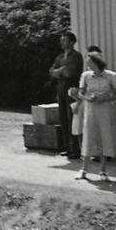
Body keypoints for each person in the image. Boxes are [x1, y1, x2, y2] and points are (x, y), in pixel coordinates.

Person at [73, 46, 116, 181]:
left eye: (89, 61)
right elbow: (80, 93)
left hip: (105, 109)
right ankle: (83, 169)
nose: (87, 64)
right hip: (90, 109)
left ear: (96, 62)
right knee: (89, 136)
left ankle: (103, 170)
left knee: (105, 136)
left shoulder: (111, 75)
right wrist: (88, 98)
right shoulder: (85, 76)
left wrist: (105, 98)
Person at [49, 31, 84, 160]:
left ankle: (75, 149)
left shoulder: (76, 56)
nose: (61, 42)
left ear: (71, 42)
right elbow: (52, 73)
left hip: (71, 88)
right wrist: (61, 69)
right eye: (61, 40)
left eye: (64, 40)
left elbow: (70, 73)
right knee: (63, 119)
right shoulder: (60, 57)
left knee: (71, 119)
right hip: (61, 88)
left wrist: (60, 71)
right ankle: (68, 148)